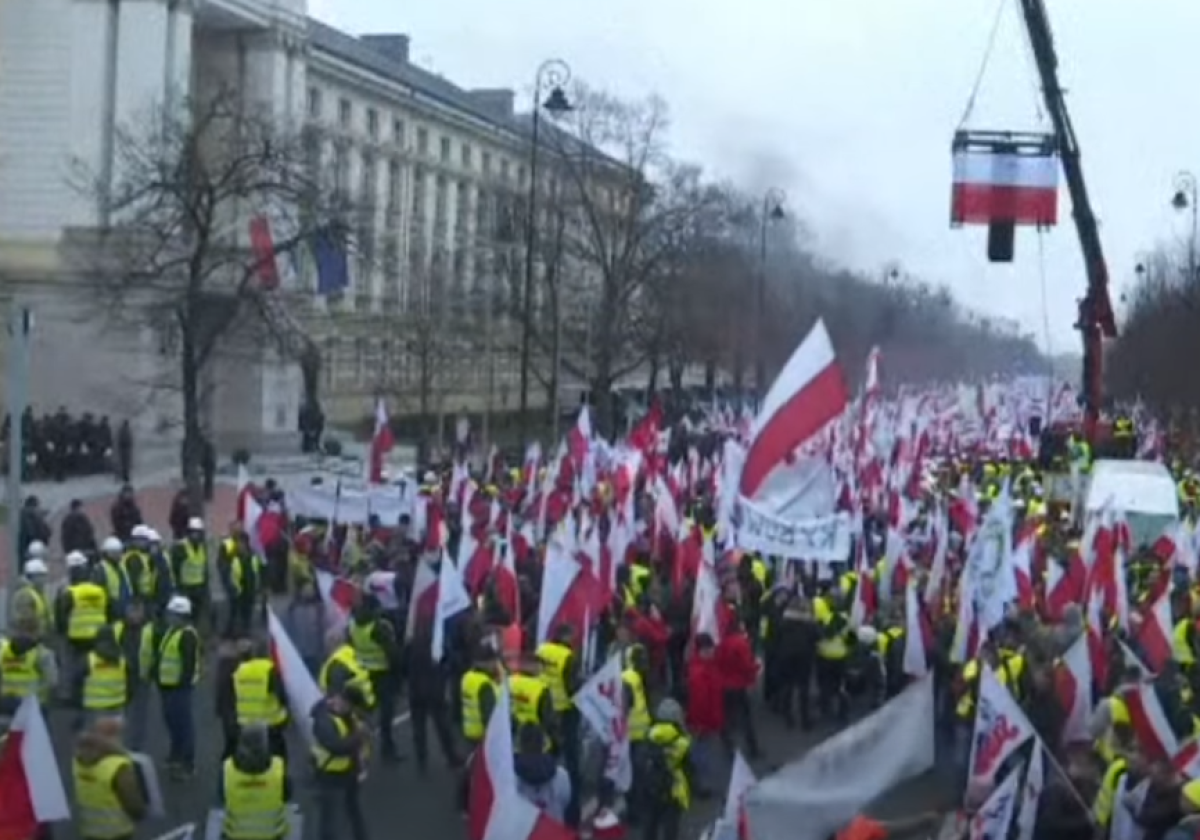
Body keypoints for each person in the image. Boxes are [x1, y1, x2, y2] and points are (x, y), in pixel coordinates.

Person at [72, 716, 149, 840]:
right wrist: (142, 812)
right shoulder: (117, 766)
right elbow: (134, 805)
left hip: (89, 830)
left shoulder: (78, 761)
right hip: (118, 832)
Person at [310, 686, 370, 840]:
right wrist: (359, 736)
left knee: (353, 810)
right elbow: (336, 746)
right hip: (330, 774)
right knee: (330, 818)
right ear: (342, 700)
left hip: (349, 771)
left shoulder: (347, 713)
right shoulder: (324, 720)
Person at [217, 723, 293, 840]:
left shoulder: (228, 769)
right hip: (272, 834)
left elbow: (221, 796)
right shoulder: (278, 768)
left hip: (235, 835)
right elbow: (288, 795)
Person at [156, 594, 200, 779]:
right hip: (167, 686)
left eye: (172, 614)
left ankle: (187, 763)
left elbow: (188, 664)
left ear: (181, 616)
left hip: (178, 688)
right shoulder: (171, 631)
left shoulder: (187, 635)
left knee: (183, 725)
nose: (168, 616)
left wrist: (182, 684)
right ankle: (175, 756)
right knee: (173, 723)